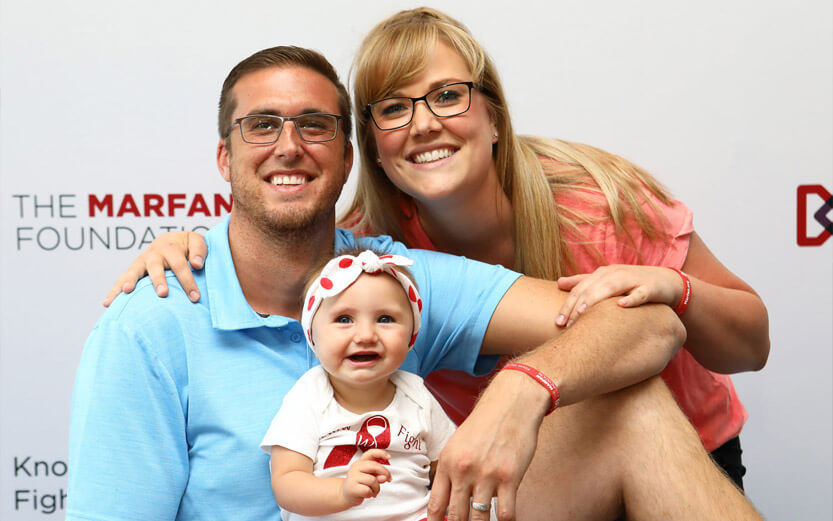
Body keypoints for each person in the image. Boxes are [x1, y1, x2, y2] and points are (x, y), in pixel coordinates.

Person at [74, 44, 763, 521]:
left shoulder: (388, 277)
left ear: (347, 158)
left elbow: (648, 323)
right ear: (225, 157)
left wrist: (525, 389)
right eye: (262, 127)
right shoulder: (154, 319)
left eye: (314, 126)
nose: (289, 146)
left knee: (630, 401)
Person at [263, 248, 456, 521]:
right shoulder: (310, 395)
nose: (366, 335)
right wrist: (341, 491)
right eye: (344, 319)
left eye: (385, 319)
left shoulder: (416, 394)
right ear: (313, 338)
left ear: (411, 335)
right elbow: (287, 482)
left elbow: (447, 467)